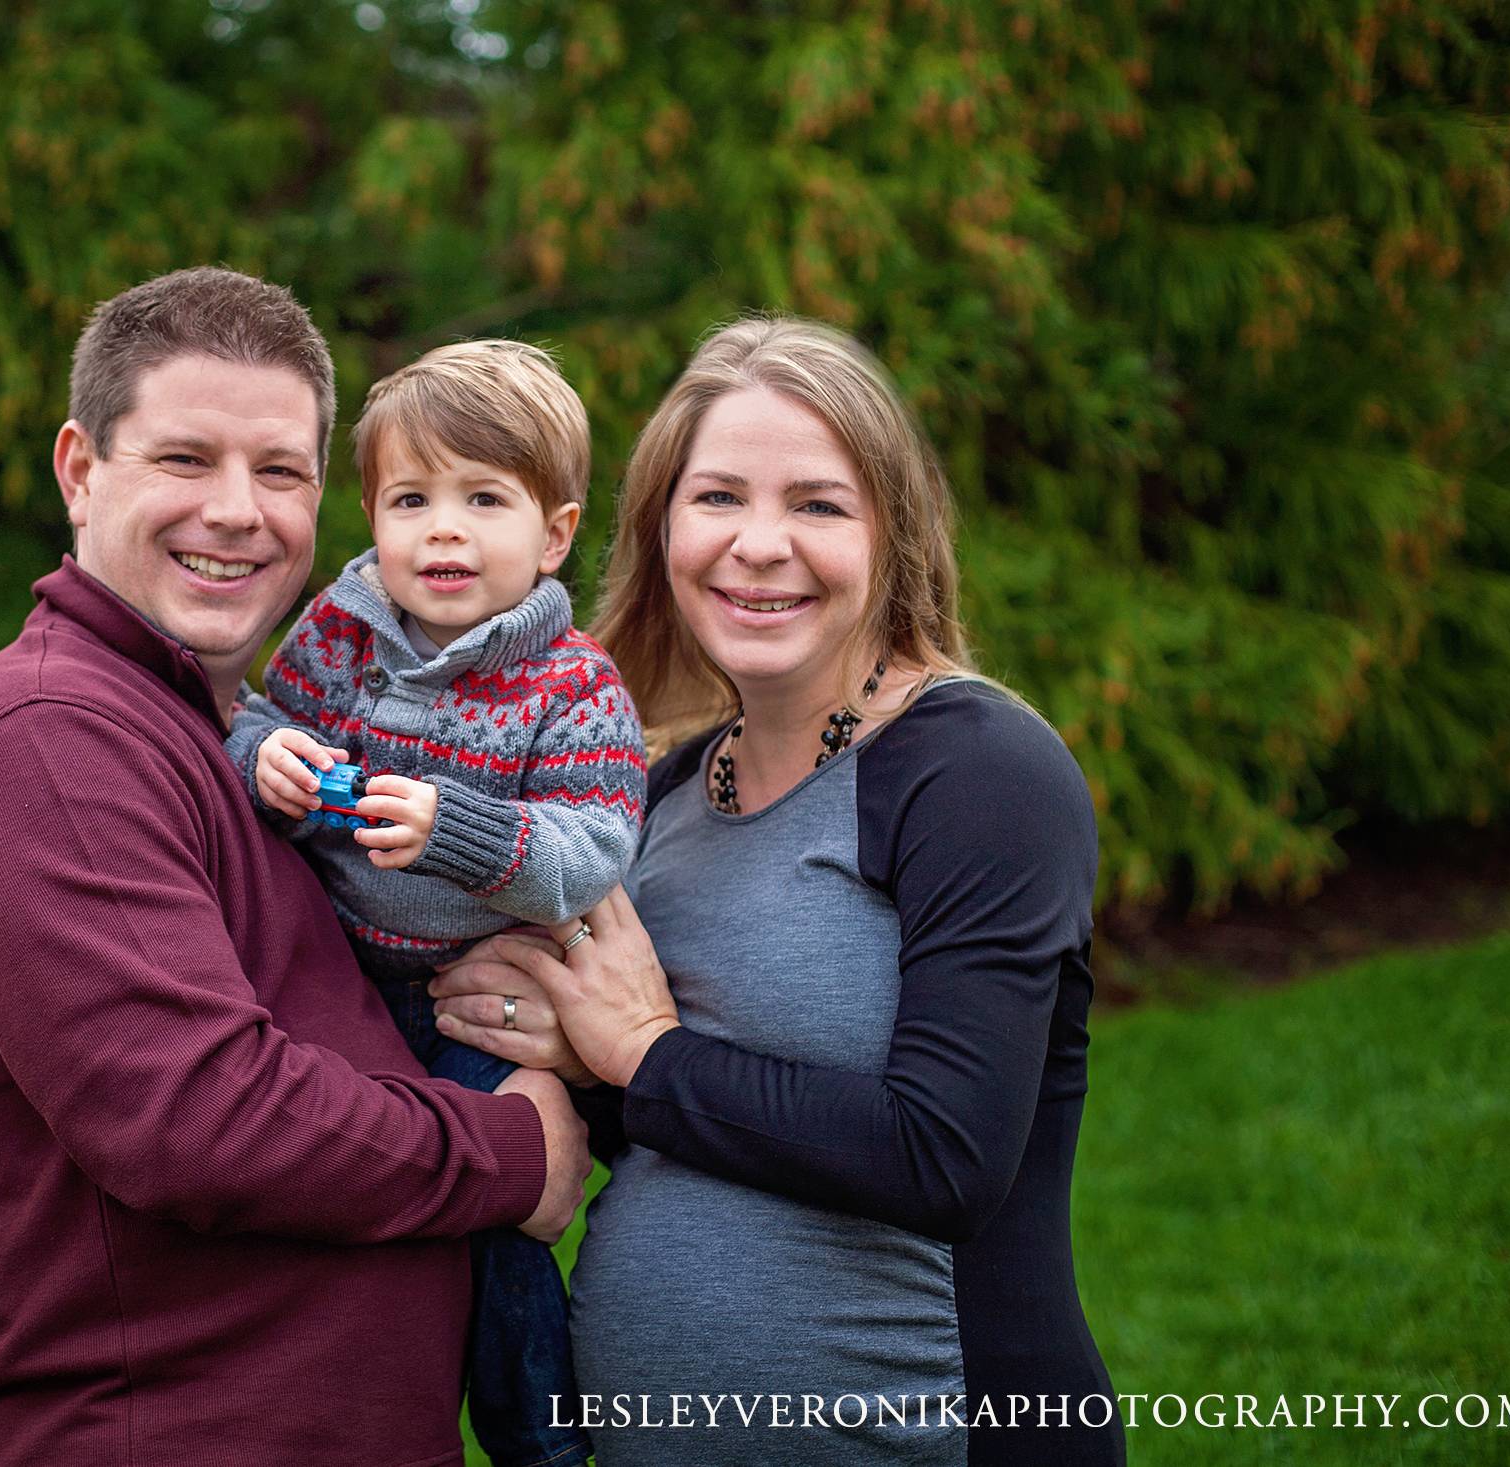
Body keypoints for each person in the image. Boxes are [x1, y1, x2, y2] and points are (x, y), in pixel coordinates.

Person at [0, 267, 591, 1467]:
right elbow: (196, 1118)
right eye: (182, 461)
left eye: (279, 472)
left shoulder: (226, 731)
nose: (236, 512)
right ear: (77, 470)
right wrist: (512, 1153)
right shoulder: (50, 737)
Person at [431, 318, 1126, 1465]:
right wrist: (575, 1061)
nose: (759, 545)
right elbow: (684, 1132)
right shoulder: (651, 798)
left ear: (892, 536)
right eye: (716, 500)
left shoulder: (976, 771)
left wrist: (643, 1052)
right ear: (660, 530)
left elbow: (942, 1155)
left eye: (817, 504)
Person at [225, 339, 646, 1467]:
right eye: (412, 499)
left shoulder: (573, 684)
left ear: (553, 533)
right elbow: (261, 720)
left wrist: (455, 830)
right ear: (373, 516)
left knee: (504, 1230)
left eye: (483, 499)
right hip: (339, 984)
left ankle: (541, 1444)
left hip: (476, 1005)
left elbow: (590, 850)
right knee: (359, 1232)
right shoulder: (339, 630)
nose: (442, 530)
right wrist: (267, 759)